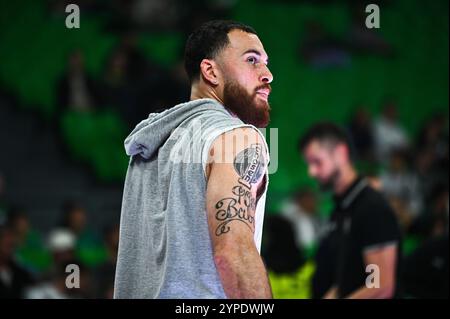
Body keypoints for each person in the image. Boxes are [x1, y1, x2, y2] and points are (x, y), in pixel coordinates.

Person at [114, 20, 273, 299]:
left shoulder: (152, 145)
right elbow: (232, 253)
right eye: (252, 60)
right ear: (210, 71)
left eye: (265, 62)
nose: (268, 74)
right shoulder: (236, 137)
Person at [298, 123, 402, 299]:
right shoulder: (342, 208)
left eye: (317, 162)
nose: (312, 172)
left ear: (340, 153)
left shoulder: (371, 208)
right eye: (309, 164)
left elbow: (380, 286)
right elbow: (346, 279)